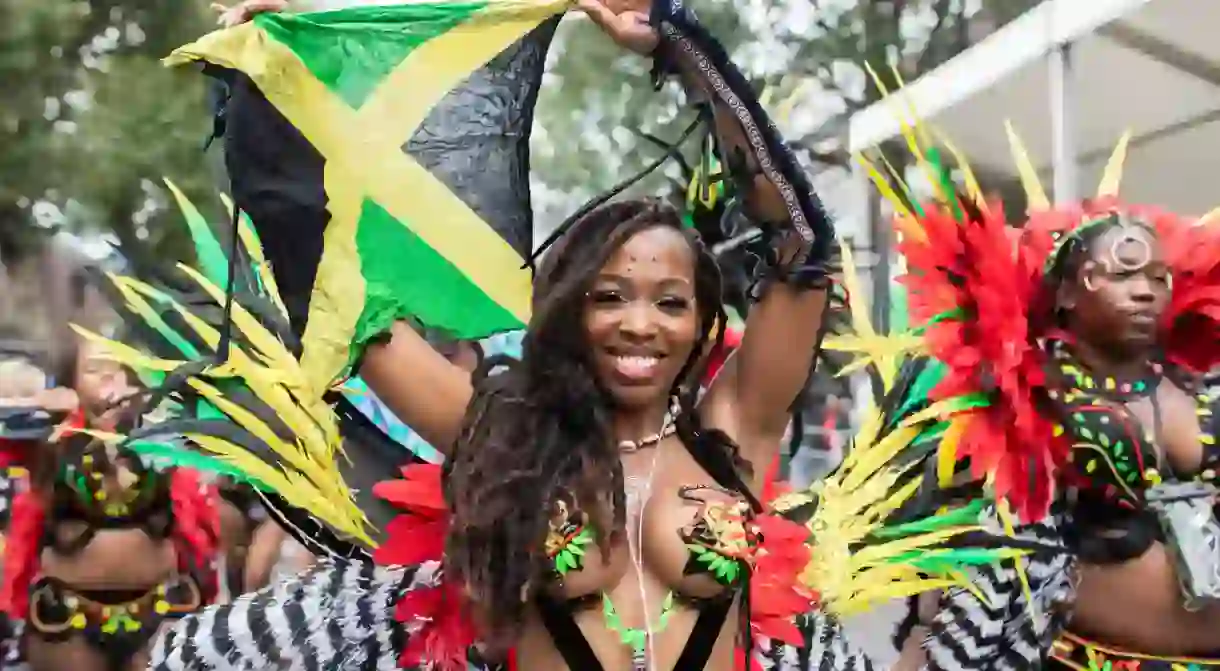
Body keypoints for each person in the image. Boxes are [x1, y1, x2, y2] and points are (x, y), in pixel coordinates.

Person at [849, 111, 1220, 669]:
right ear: (1068, 291)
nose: (1144, 292)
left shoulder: (1191, 383)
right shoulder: (1024, 397)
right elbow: (958, 539)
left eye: (1157, 278)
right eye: (1121, 275)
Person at [0, 336, 222, 671]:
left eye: (116, 366)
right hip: (69, 621)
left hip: (158, 611)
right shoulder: (48, 436)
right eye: (93, 368)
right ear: (70, 381)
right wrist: (40, 410)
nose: (108, 376)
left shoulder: (162, 433)